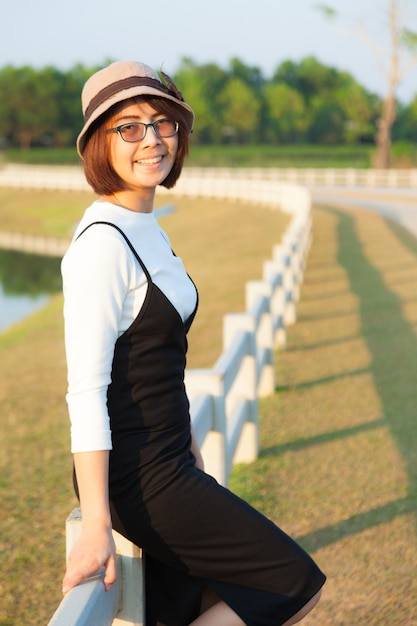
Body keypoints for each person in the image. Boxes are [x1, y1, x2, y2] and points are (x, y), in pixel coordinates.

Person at [61, 60, 325, 626]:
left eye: (162, 122)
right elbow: (85, 392)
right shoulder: (100, 246)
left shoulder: (145, 224)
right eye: (128, 127)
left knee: (185, 608)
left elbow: (155, 356)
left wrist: (189, 446)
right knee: (293, 584)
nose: (151, 139)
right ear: (97, 145)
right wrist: (97, 525)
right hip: (141, 475)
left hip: (172, 458)